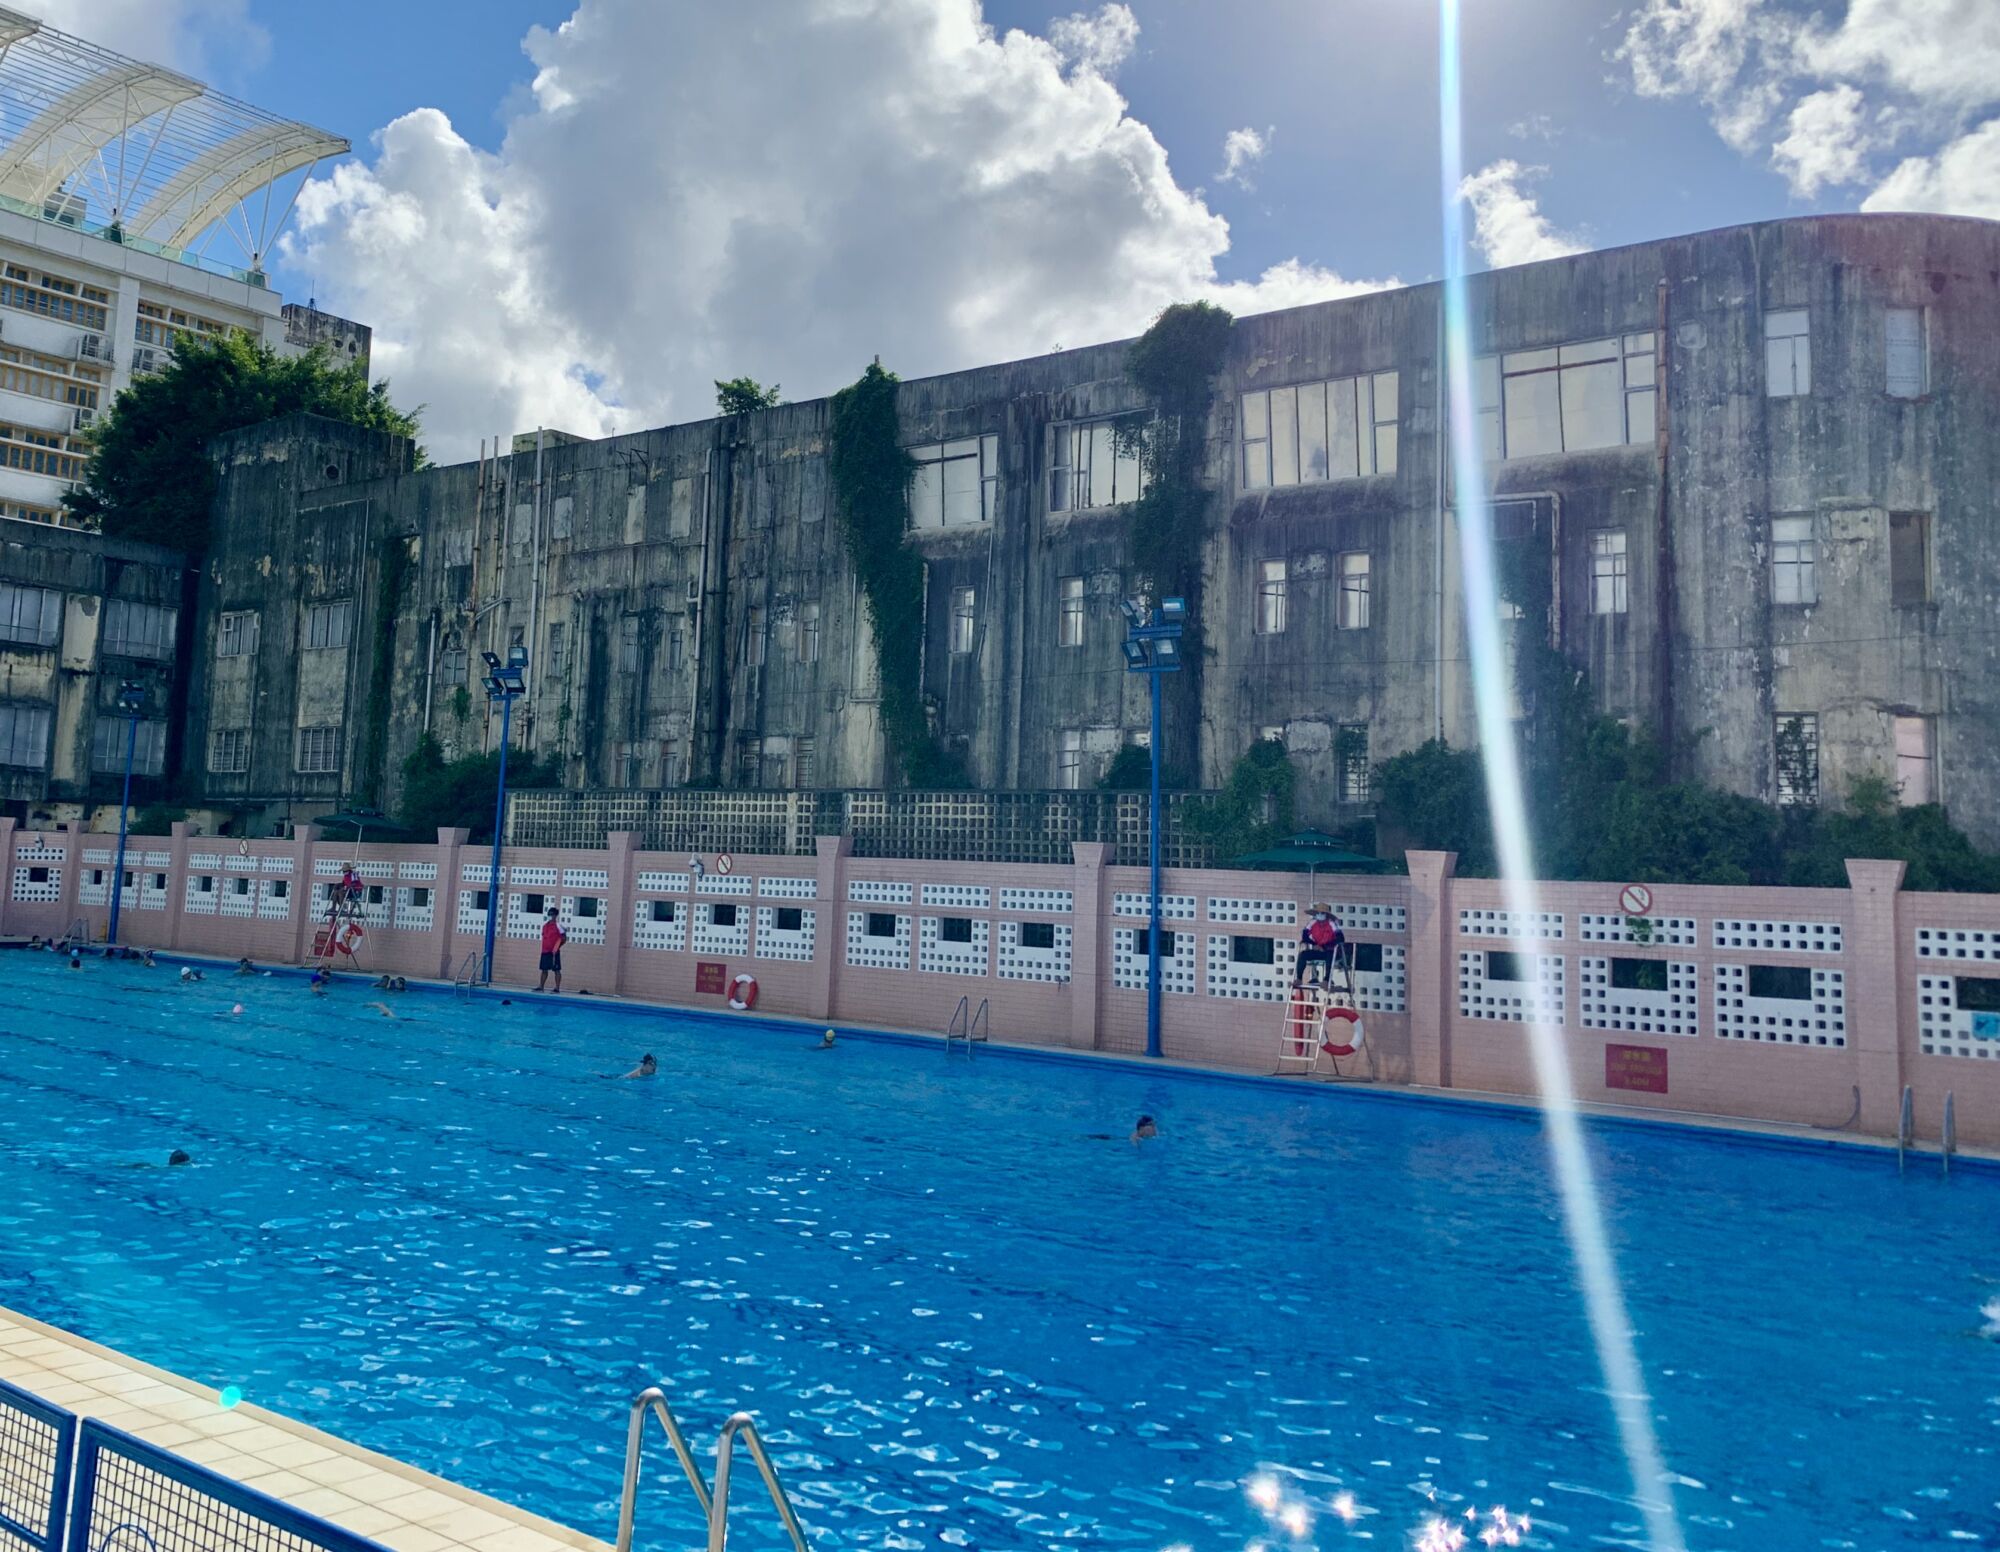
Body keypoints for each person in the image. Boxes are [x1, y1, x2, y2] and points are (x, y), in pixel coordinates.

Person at [1292, 903, 1345, 988]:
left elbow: (1340, 938)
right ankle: (1299, 979)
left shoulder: (1332, 923)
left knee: (1329, 955)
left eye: (1322, 913)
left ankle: (1326, 980)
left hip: (1332, 951)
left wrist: (1325, 946)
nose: (1319, 915)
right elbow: (1304, 936)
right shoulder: (1313, 922)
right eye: (1318, 913)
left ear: (1327, 915)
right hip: (1318, 950)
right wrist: (1315, 944)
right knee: (1303, 955)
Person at [537, 906, 567, 993]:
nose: (550, 916)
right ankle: (541, 987)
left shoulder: (558, 926)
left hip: (554, 952)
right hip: (545, 951)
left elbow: (564, 938)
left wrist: (557, 947)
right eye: (549, 914)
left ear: (555, 915)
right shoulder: (545, 926)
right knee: (544, 969)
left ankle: (557, 988)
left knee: (556, 970)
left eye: (551, 914)